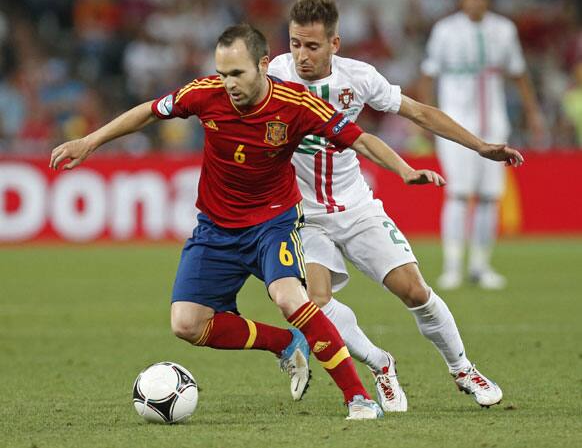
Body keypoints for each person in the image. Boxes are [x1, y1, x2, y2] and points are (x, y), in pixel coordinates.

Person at [49, 23, 447, 420]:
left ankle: (358, 398)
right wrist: (89, 141)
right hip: (216, 229)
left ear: (263, 65)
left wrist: (405, 169)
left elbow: (360, 138)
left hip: (273, 223)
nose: (228, 84)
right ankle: (285, 344)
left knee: (290, 297)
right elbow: (148, 112)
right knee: (187, 324)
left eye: (237, 73)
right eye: (222, 73)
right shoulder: (204, 94)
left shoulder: (297, 105)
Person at [268, 0, 523, 410]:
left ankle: (462, 369)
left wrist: (480, 147)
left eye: (312, 45)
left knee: (414, 291)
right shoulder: (276, 74)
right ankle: (380, 363)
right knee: (315, 303)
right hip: (305, 216)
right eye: (295, 43)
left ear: (335, 44)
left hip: (357, 205)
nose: (301, 55)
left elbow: (420, 113)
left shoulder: (359, 78)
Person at [419, 0, 544, 290]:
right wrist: (426, 121)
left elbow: (518, 73)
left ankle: (479, 265)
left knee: (489, 195)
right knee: (459, 192)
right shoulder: (445, 30)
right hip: (456, 123)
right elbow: (427, 75)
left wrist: (532, 112)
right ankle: (452, 266)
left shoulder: (504, 29)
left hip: (494, 123)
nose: (475, 0)